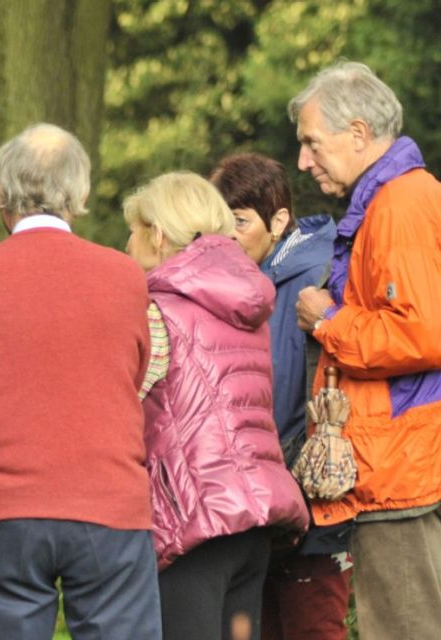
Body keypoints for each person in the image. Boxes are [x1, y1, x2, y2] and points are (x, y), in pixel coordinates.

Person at [0, 123, 161, 640]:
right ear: (79, 194)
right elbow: (134, 373)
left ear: (3, 193)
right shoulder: (126, 276)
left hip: (5, 504)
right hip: (108, 501)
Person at [288, 60, 441, 640]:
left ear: (360, 133)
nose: (303, 160)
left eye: (312, 143)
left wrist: (329, 319)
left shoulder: (401, 205)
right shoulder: (404, 198)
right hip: (408, 458)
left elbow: (424, 334)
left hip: (406, 466)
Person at [123, 171, 309, 640]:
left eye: (134, 229)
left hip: (194, 520)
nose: (127, 243)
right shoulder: (245, 308)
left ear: (158, 234)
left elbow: (126, 402)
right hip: (252, 519)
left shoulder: (157, 310)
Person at [209, 153, 351, 640]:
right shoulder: (237, 283)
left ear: (280, 220)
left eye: (241, 222)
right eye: (220, 222)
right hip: (255, 501)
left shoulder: (321, 276)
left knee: (312, 624)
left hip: (311, 497)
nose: (227, 235)